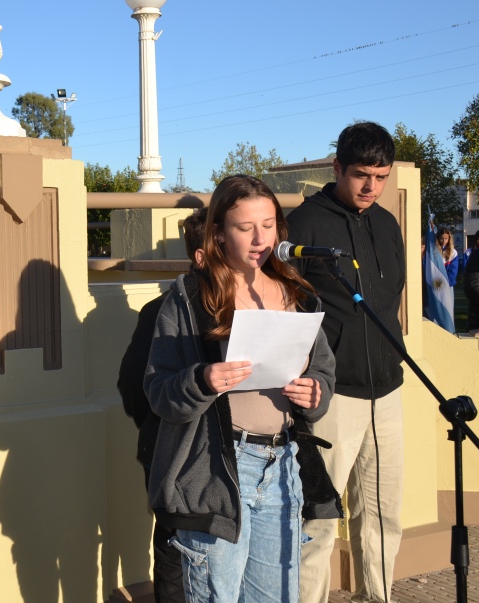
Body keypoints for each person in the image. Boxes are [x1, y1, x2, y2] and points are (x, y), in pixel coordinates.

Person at [144, 175, 339, 603]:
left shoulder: (296, 292)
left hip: (282, 463)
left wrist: (315, 393)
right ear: (217, 233)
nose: (259, 238)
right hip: (216, 471)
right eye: (244, 227)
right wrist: (203, 379)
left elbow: (323, 369)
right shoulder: (190, 297)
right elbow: (158, 391)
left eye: (268, 225)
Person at [288, 121, 406, 603]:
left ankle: (378, 598)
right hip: (331, 397)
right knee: (318, 523)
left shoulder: (386, 222)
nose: (371, 187)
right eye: (361, 174)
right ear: (336, 167)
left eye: (381, 177)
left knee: (383, 516)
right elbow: (287, 309)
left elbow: (392, 298)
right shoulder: (303, 224)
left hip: (390, 390)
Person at [117, 207, 210, 603]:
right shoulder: (161, 311)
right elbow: (134, 387)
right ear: (201, 255)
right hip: (171, 459)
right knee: (175, 556)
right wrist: (166, 434)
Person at [437, 227, 459, 291]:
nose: (444, 241)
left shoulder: (453, 252)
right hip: (435, 282)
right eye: (442, 238)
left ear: (449, 239)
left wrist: (447, 283)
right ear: (438, 238)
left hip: (448, 284)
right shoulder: (434, 251)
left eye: (446, 238)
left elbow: (453, 270)